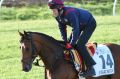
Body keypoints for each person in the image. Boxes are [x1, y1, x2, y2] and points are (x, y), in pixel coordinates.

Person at [48, 0, 96, 77]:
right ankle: (74, 64)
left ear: (59, 8)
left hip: (89, 24)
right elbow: (62, 28)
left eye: (54, 10)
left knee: (80, 45)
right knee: (68, 44)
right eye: (51, 10)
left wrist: (71, 43)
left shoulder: (70, 13)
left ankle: (91, 69)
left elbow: (75, 29)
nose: (53, 12)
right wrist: (65, 41)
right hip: (79, 24)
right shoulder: (57, 15)